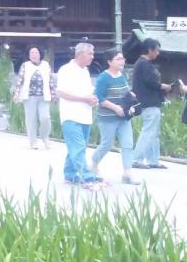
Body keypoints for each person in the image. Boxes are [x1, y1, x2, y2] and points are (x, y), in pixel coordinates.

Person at [89, 49, 140, 185]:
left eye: (122, 59)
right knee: (107, 144)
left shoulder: (121, 75)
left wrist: (131, 95)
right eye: (118, 59)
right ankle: (93, 163)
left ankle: (127, 173)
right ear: (109, 62)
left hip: (123, 117)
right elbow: (99, 97)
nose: (122, 61)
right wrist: (115, 108)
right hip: (108, 117)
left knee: (128, 144)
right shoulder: (103, 78)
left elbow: (125, 90)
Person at [55, 42, 101, 185]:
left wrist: (93, 99)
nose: (92, 57)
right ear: (80, 54)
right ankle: (86, 176)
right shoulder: (66, 69)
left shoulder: (85, 72)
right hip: (71, 115)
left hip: (85, 115)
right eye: (90, 54)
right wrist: (84, 99)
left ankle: (69, 174)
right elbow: (61, 92)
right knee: (78, 147)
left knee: (75, 147)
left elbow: (88, 92)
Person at [130, 38, 172, 170]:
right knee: (148, 131)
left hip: (150, 102)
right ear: (150, 50)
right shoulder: (144, 64)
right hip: (149, 102)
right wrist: (163, 86)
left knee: (154, 133)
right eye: (156, 50)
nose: (158, 53)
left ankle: (153, 160)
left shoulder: (142, 64)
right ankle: (136, 159)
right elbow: (151, 82)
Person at [13, 46, 53, 150]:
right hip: (29, 96)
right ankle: (33, 142)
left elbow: (50, 80)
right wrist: (17, 93)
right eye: (31, 53)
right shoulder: (25, 65)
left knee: (45, 118)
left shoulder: (46, 65)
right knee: (31, 120)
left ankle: (45, 137)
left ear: (40, 54)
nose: (34, 55)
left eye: (36, 53)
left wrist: (53, 94)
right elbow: (20, 80)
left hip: (43, 96)